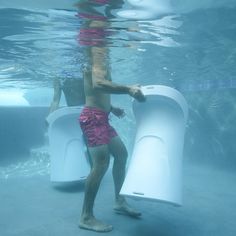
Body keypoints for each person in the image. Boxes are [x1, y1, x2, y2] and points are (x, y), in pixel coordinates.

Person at [78, 5, 146, 232]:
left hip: (102, 118)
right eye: (104, 31)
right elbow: (98, 84)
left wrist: (112, 106)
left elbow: (94, 90)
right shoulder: (97, 51)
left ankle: (119, 201)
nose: (108, 36)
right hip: (93, 119)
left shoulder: (99, 55)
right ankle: (86, 217)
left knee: (121, 154)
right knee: (100, 165)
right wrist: (128, 89)